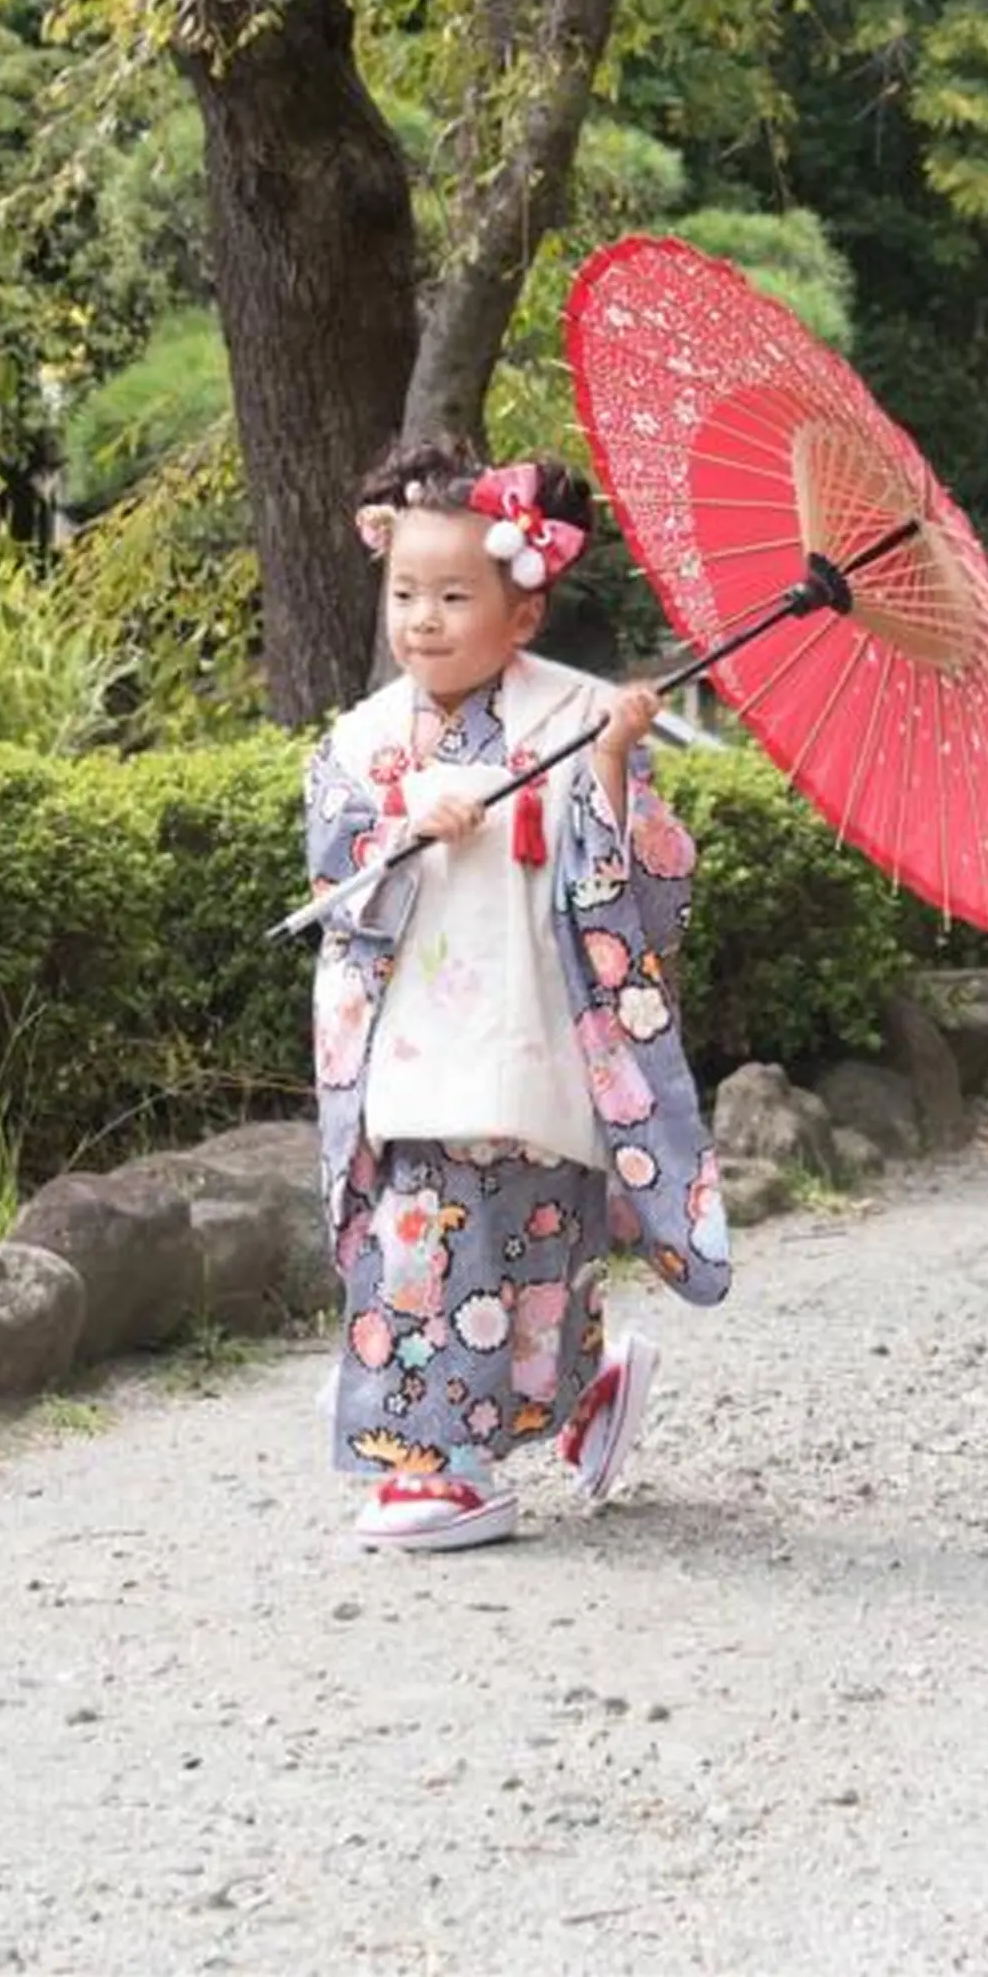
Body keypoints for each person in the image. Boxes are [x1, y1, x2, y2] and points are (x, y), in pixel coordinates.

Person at [301, 434, 730, 1552]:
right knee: (425, 1246)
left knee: (530, 1255)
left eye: (453, 595)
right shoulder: (363, 739)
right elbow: (334, 875)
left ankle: (491, 1445)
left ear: (523, 613)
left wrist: (605, 767)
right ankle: (451, 1455)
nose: (424, 620)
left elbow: (649, 889)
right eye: (406, 593)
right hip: (413, 1049)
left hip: (530, 1037)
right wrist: (400, 829)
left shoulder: (574, 716)